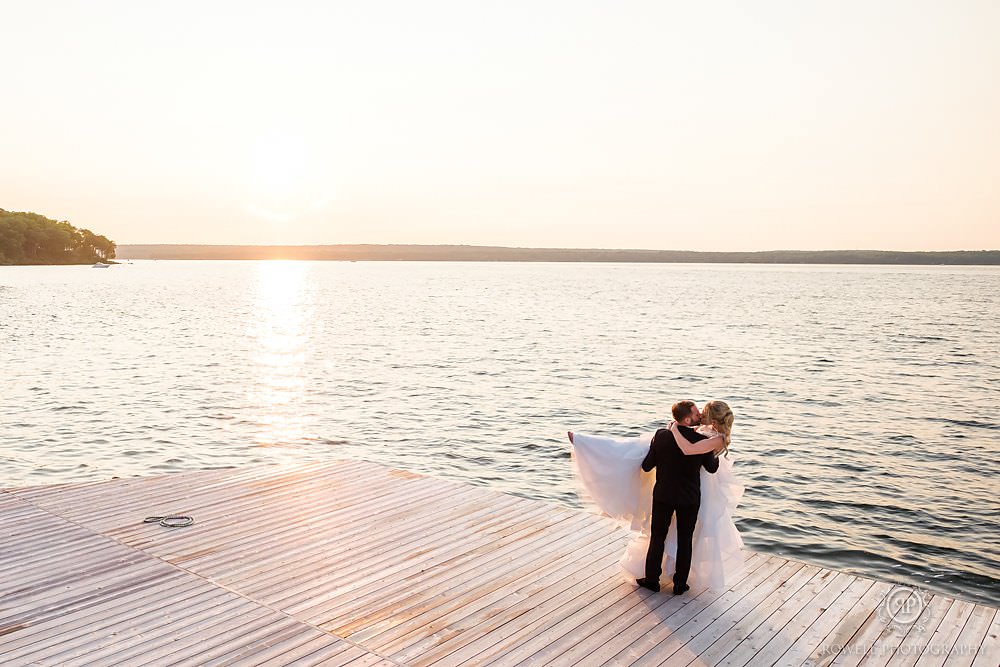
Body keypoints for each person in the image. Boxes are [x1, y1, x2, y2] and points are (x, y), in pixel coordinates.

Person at [567, 399, 743, 593]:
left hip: (663, 495)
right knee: (685, 540)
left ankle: (652, 579)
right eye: (696, 413)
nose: (699, 415)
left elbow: (647, 465)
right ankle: (679, 584)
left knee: (657, 537)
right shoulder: (704, 441)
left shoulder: (661, 435)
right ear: (687, 418)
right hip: (689, 499)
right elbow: (711, 468)